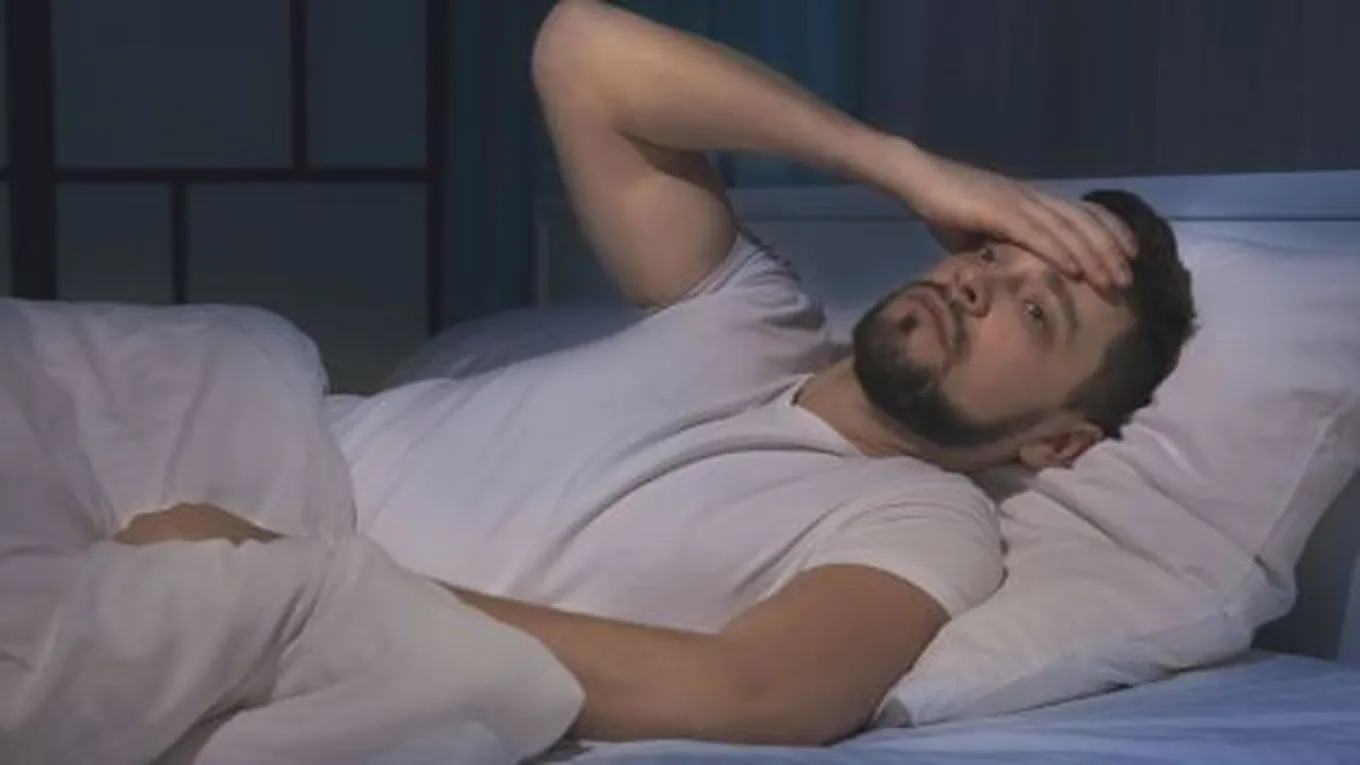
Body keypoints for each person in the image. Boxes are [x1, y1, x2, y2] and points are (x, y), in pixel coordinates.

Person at [116, 0, 1196, 749]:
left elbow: (752, 693)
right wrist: (905, 166)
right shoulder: (747, 309)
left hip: (246, 565)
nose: (978, 283)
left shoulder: (922, 521)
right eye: (992, 250)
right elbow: (580, 48)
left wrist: (299, 585)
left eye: (1037, 311)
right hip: (199, 425)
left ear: (1056, 441)